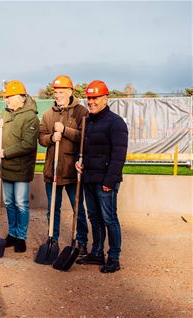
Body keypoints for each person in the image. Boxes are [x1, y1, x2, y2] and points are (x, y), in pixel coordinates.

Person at [75, 80, 128, 273]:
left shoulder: (116, 123)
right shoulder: (87, 121)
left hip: (105, 181)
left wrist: (109, 181)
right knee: (95, 218)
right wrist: (78, 161)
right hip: (89, 179)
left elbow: (119, 155)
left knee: (109, 218)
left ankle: (114, 257)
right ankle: (97, 253)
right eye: (89, 98)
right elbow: (83, 150)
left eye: (95, 97)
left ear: (105, 98)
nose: (91, 101)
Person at [38, 75, 89, 255]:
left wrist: (65, 131)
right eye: (56, 92)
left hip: (72, 170)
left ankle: (82, 241)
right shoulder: (47, 114)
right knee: (53, 209)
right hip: (52, 170)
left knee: (78, 209)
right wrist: (51, 137)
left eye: (61, 92)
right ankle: (53, 238)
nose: (58, 95)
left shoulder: (81, 112)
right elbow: (41, 138)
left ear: (70, 91)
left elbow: (85, 137)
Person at [0, 80, 39, 253]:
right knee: (9, 202)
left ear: (20, 97)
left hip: (21, 168)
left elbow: (28, 145)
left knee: (21, 203)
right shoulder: (5, 113)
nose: (7, 100)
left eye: (9, 97)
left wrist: (5, 153)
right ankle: (12, 233)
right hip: (5, 168)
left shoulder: (31, 117)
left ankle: (21, 237)